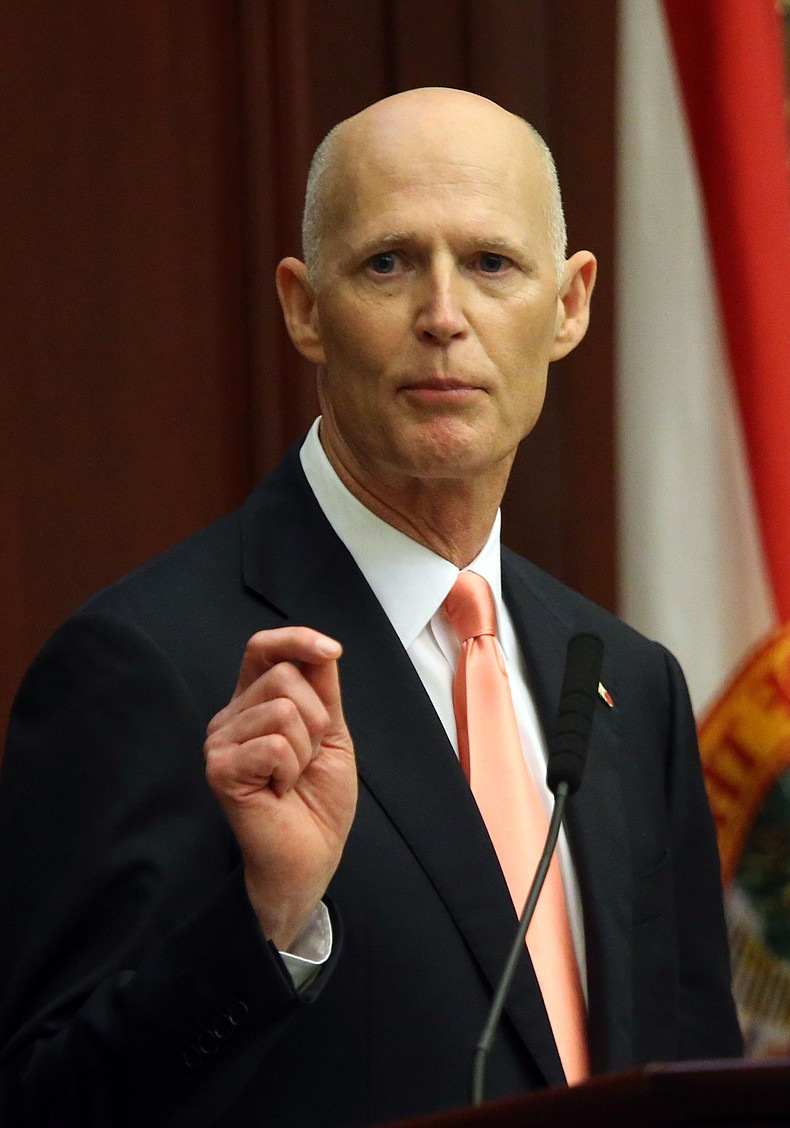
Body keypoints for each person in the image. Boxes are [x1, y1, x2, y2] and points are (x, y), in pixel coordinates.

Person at [0, 87, 741, 1128]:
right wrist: (268, 924)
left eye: (490, 263)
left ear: (568, 305)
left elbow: (695, 1080)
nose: (442, 315)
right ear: (304, 307)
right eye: (388, 263)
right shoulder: (146, 663)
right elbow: (41, 1108)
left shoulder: (624, 677)